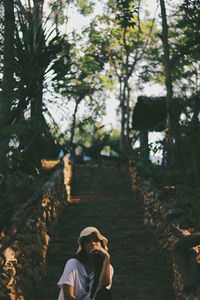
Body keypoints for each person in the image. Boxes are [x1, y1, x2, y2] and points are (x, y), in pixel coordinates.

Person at [57, 226, 114, 300]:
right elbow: (68, 296)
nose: (93, 244)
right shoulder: (72, 264)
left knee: (104, 293)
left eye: (96, 240)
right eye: (88, 241)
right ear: (83, 246)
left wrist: (107, 257)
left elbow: (103, 286)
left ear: (101, 245)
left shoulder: (107, 267)